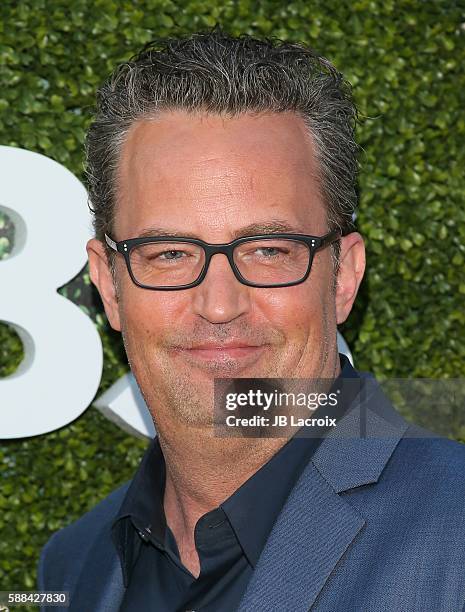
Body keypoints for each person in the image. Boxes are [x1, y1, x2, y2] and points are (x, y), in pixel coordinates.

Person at [38, 27, 465, 611]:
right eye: (169, 253)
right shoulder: (75, 563)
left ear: (344, 276)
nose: (219, 304)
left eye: (268, 250)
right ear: (109, 285)